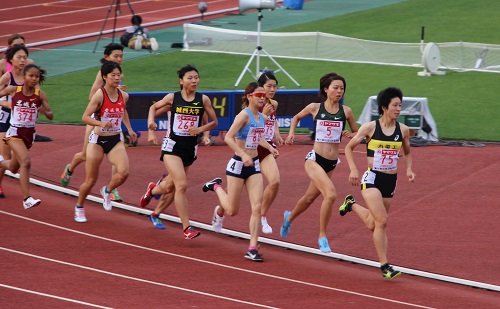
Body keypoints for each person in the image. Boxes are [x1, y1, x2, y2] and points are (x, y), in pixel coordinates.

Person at [340, 87, 415, 279]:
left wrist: (408, 169)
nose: (399, 109)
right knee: (382, 221)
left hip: (391, 180)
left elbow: (406, 152)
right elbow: (348, 148)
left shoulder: (403, 130)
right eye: (395, 105)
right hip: (372, 177)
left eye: (400, 105)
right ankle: (385, 266)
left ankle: (351, 204)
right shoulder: (370, 128)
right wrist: (354, 169)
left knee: (374, 224)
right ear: (384, 107)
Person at [281, 72, 358, 253]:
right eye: (335, 88)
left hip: (331, 163)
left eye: (342, 88)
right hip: (314, 159)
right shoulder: (315, 107)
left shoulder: (346, 111)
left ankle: (289, 218)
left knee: (309, 198)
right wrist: (291, 133)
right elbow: (296, 118)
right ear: (326, 89)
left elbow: (357, 133)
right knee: (330, 195)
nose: (339, 91)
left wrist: (351, 135)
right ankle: (322, 236)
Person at [202, 82, 278, 262]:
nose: (262, 98)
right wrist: (243, 154)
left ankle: (252, 247)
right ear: (249, 96)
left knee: (257, 207)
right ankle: (216, 187)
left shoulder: (261, 117)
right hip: (238, 164)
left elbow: (257, 136)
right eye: (258, 95)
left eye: (263, 96)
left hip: (254, 166)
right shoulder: (243, 115)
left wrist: (270, 147)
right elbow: (228, 137)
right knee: (232, 210)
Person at [139, 64, 217, 238]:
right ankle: (187, 228)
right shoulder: (172, 98)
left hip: (190, 148)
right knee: (181, 185)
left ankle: (152, 190)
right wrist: (151, 128)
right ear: (181, 81)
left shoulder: (203, 100)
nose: (194, 81)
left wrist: (203, 132)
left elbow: (213, 122)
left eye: (196, 77)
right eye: (190, 78)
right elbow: (153, 108)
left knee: (169, 187)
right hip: (172, 146)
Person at [60, 43, 127, 202]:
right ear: (106, 57)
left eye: (121, 56)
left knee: (117, 153)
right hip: (96, 119)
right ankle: (70, 168)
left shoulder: (117, 74)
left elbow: (120, 104)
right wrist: (106, 93)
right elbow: (92, 96)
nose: (119, 59)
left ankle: (113, 189)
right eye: (115, 56)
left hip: (112, 122)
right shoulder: (102, 74)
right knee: (84, 155)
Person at [74, 61, 136, 222]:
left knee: (124, 172)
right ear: (104, 77)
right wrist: (101, 123)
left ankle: (107, 190)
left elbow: (123, 112)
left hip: (115, 139)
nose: (116, 78)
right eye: (113, 75)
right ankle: (79, 207)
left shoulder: (124, 95)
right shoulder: (99, 95)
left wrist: (129, 129)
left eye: (118, 75)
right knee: (90, 180)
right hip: (97, 141)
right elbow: (85, 117)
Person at [0, 64, 53, 208]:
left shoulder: (40, 95)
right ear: (24, 77)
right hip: (14, 133)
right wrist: (4, 103)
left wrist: (44, 112)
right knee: (26, 162)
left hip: (29, 135)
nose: (34, 79)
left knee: (12, 167)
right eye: (31, 76)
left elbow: (51, 115)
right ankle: (27, 199)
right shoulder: (13, 90)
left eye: (37, 76)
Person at [0, 44, 30, 199]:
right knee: (6, 156)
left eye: (25, 57)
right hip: (5, 118)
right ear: (11, 59)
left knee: (13, 165)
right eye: (19, 57)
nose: (23, 60)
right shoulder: (7, 77)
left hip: (21, 122)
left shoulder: (28, 78)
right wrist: (6, 102)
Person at [256, 72, 284, 234]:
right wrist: (263, 115)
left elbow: (273, 121)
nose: (272, 89)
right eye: (269, 86)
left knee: (275, 182)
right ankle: (220, 211)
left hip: (266, 149)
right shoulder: (253, 105)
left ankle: (262, 215)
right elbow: (251, 127)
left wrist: (277, 133)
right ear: (261, 87)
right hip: (250, 149)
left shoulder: (274, 103)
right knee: (233, 201)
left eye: (274, 86)